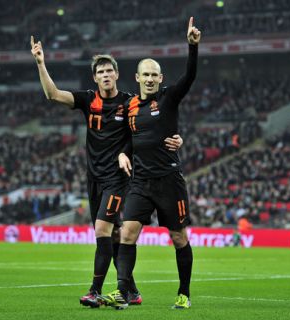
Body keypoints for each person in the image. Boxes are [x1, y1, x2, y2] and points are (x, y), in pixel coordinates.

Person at [30, 37, 184, 308]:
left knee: (102, 230)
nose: (105, 75)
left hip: (119, 178)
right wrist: (41, 63)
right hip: (94, 178)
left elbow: (155, 124)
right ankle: (132, 290)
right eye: (100, 72)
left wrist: (176, 138)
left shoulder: (130, 103)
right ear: (95, 77)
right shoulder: (88, 101)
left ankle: (95, 290)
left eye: (109, 70)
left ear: (117, 74)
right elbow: (53, 94)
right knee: (111, 236)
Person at [100, 17, 201, 310]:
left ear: (159, 78)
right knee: (127, 232)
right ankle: (122, 291)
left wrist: (192, 47)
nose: (149, 79)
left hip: (169, 181)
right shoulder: (130, 106)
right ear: (137, 77)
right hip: (140, 182)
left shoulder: (168, 99)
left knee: (179, 237)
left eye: (154, 75)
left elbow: (189, 78)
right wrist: (122, 152)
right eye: (145, 74)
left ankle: (184, 293)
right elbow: (127, 139)